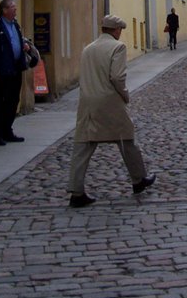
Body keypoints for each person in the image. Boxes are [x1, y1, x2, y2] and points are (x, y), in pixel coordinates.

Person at [67, 15, 156, 208]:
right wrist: (124, 94)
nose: (120, 33)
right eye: (120, 30)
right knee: (127, 139)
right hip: (109, 101)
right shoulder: (117, 47)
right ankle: (139, 179)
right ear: (115, 30)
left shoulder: (88, 49)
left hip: (88, 102)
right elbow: (117, 76)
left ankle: (76, 191)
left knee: (83, 146)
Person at [0, 0, 33, 146]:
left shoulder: (16, 26)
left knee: (13, 101)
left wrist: (24, 46)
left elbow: (17, 41)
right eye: (12, 7)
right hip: (2, 71)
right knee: (0, 103)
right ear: (4, 10)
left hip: (16, 69)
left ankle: (7, 130)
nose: (15, 9)